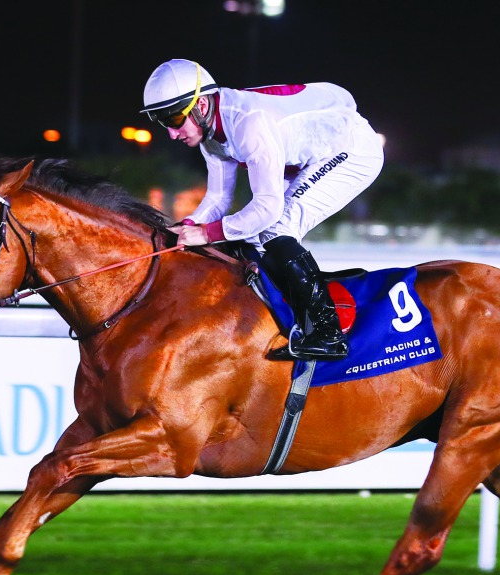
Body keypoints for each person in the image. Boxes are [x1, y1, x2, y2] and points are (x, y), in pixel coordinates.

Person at [141, 59, 385, 360]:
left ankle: (328, 332)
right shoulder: (210, 134)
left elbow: (268, 209)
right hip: (307, 155)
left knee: (274, 227)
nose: (172, 133)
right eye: (163, 121)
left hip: (351, 150)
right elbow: (218, 199)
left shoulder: (247, 124)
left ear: (201, 105)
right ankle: (290, 314)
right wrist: (188, 225)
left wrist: (205, 233)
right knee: (255, 238)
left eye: (174, 118)